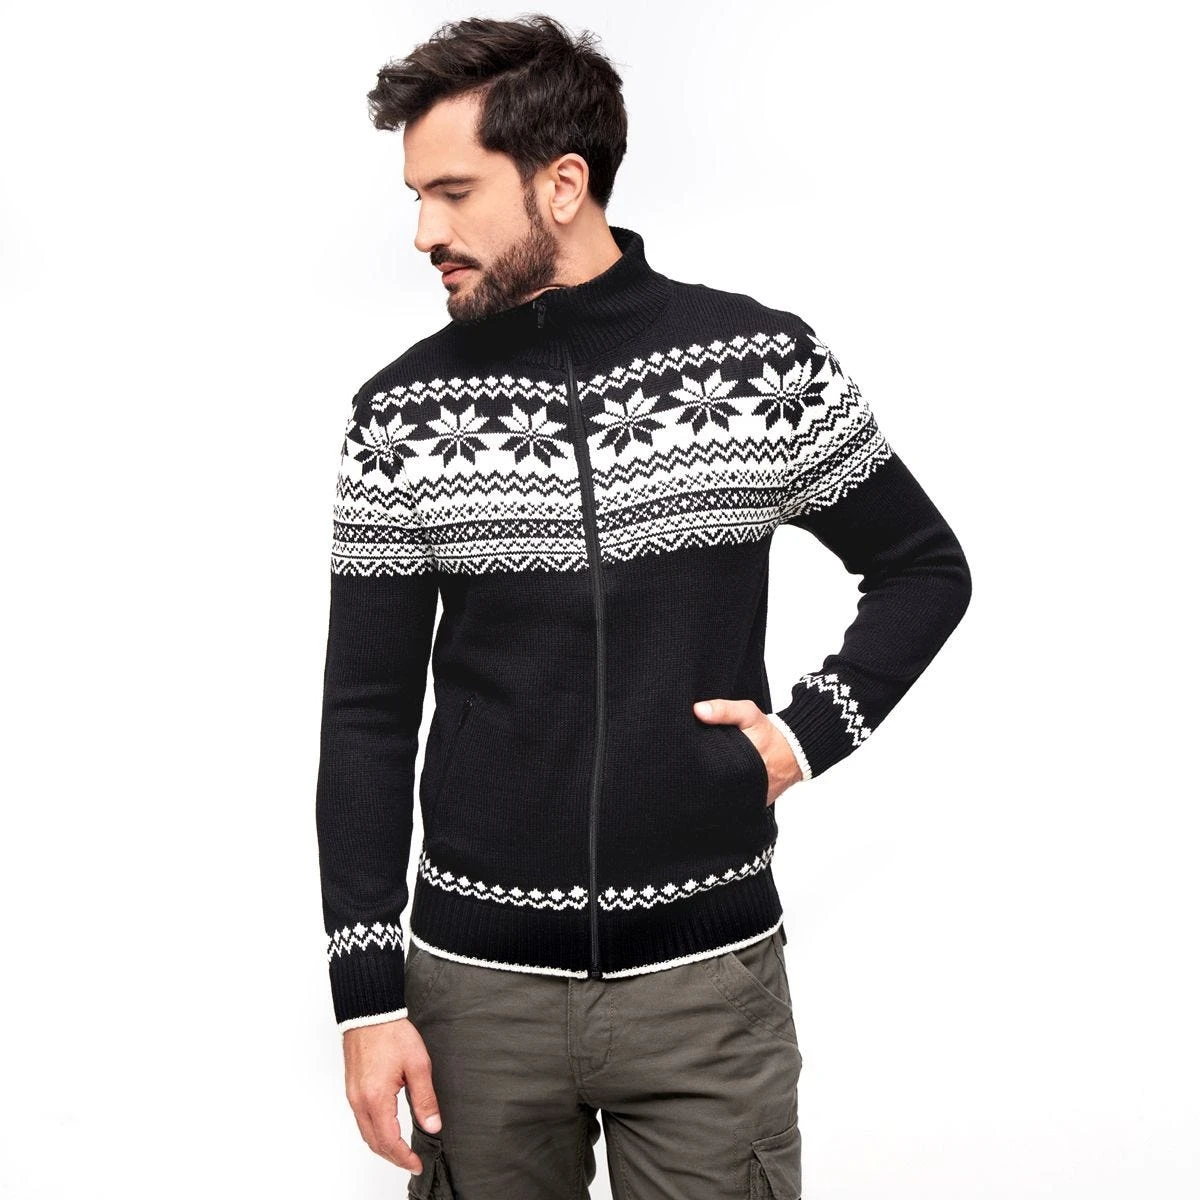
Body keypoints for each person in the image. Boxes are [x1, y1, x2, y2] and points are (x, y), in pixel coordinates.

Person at [314, 14, 971, 1199]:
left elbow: (924, 567)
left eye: (454, 193)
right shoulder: (401, 417)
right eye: (417, 197)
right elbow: (366, 713)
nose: (423, 233)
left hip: (707, 989)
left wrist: (803, 737)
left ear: (562, 184)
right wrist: (365, 998)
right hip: (475, 1000)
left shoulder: (760, 369)